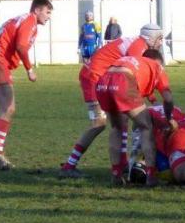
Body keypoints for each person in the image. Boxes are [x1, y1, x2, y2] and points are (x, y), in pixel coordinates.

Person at [59, 24, 164, 179]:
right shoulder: (138, 48)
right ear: (151, 37)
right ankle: (69, 165)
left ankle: (121, 165)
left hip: (104, 78)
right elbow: (134, 76)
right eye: (160, 38)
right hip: (95, 77)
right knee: (99, 123)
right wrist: (152, 98)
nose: (161, 42)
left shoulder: (138, 43)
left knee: (121, 120)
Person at [0, 0, 53, 170]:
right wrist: (29, 69)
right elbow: (21, 46)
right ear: (37, 10)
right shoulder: (30, 20)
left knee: (7, 108)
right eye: (47, 12)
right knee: (9, 107)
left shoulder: (22, 19)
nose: (49, 17)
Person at [96, 49, 176, 187]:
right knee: (146, 126)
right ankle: (151, 176)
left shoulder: (134, 61)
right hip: (123, 81)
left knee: (116, 128)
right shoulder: (157, 66)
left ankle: (116, 174)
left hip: (103, 82)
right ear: (158, 61)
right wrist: (169, 118)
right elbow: (168, 99)